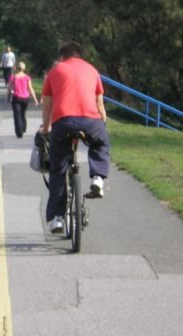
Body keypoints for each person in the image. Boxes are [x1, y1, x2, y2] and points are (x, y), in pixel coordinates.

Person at [41, 41, 110, 234]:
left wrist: (46, 129)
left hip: (63, 123)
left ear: (62, 57)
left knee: (58, 170)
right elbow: (99, 104)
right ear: (80, 55)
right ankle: (97, 177)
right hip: (90, 121)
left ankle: (57, 218)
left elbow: (47, 106)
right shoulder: (92, 70)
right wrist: (102, 125)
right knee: (100, 143)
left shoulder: (54, 72)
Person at [7, 61, 39, 138]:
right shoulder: (27, 77)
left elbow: (9, 88)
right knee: (23, 113)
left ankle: (19, 132)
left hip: (16, 98)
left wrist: (8, 97)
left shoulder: (13, 77)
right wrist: (35, 99)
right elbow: (31, 89)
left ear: (17, 68)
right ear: (24, 69)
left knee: (17, 114)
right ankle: (23, 128)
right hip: (25, 98)